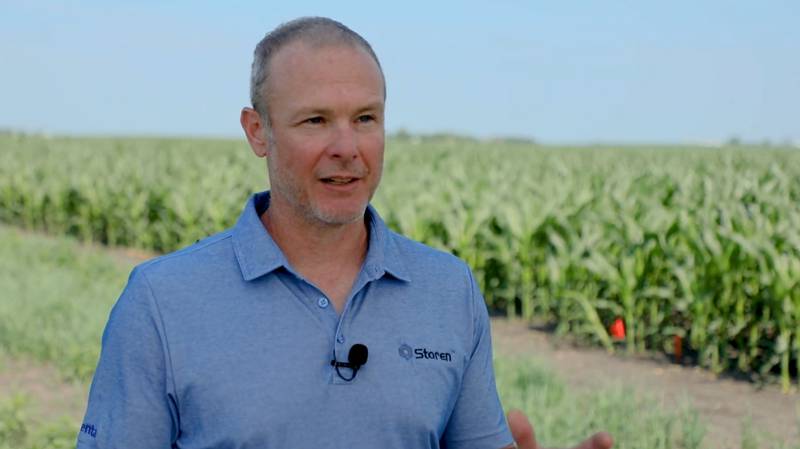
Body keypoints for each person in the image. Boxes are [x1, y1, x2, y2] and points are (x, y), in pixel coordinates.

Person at [76, 17, 613, 449]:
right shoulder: (161, 301)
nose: (347, 148)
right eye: (315, 121)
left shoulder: (448, 289)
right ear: (257, 131)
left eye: (365, 118)